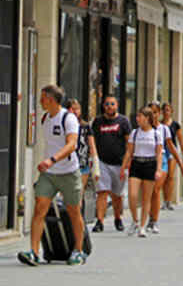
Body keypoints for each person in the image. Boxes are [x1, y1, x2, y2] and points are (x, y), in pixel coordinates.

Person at [17, 85, 86, 266]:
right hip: (49, 173)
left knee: (73, 211)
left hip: (69, 172)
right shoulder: (45, 118)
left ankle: (78, 250)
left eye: (42, 98)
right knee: (40, 208)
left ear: (51, 99)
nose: (40, 101)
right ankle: (34, 252)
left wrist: (52, 160)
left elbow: (72, 145)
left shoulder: (68, 118)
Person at [89, 95, 132, 232]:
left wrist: (127, 162)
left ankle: (117, 218)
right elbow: (93, 140)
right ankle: (99, 221)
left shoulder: (123, 121)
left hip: (119, 163)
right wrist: (94, 160)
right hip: (102, 162)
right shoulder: (98, 121)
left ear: (117, 106)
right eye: (107, 104)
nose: (109, 106)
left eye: (112, 104)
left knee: (116, 195)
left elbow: (129, 143)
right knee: (102, 192)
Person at [126, 107, 164, 238]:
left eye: (140, 116)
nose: (137, 119)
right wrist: (124, 166)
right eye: (137, 116)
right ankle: (135, 220)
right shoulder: (134, 133)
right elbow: (129, 151)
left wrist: (158, 169)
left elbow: (159, 153)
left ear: (147, 118)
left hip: (150, 164)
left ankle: (142, 226)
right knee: (132, 195)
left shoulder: (156, 134)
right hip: (136, 163)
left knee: (146, 198)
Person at [65, 98, 95, 221]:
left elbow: (92, 145)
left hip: (82, 163)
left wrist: (95, 162)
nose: (75, 111)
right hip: (66, 163)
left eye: (77, 109)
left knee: (79, 192)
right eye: (72, 109)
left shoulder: (85, 126)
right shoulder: (63, 125)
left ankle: (77, 219)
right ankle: (68, 217)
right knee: (67, 192)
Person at [157, 103, 182, 212]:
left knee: (170, 176)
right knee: (164, 176)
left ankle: (168, 200)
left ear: (171, 112)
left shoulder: (175, 125)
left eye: (168, 110)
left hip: (172, 150)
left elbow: (180, 139)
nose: (166, 112)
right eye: (165, 110)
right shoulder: (159, 124)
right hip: (162, 150)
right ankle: (163, 200)